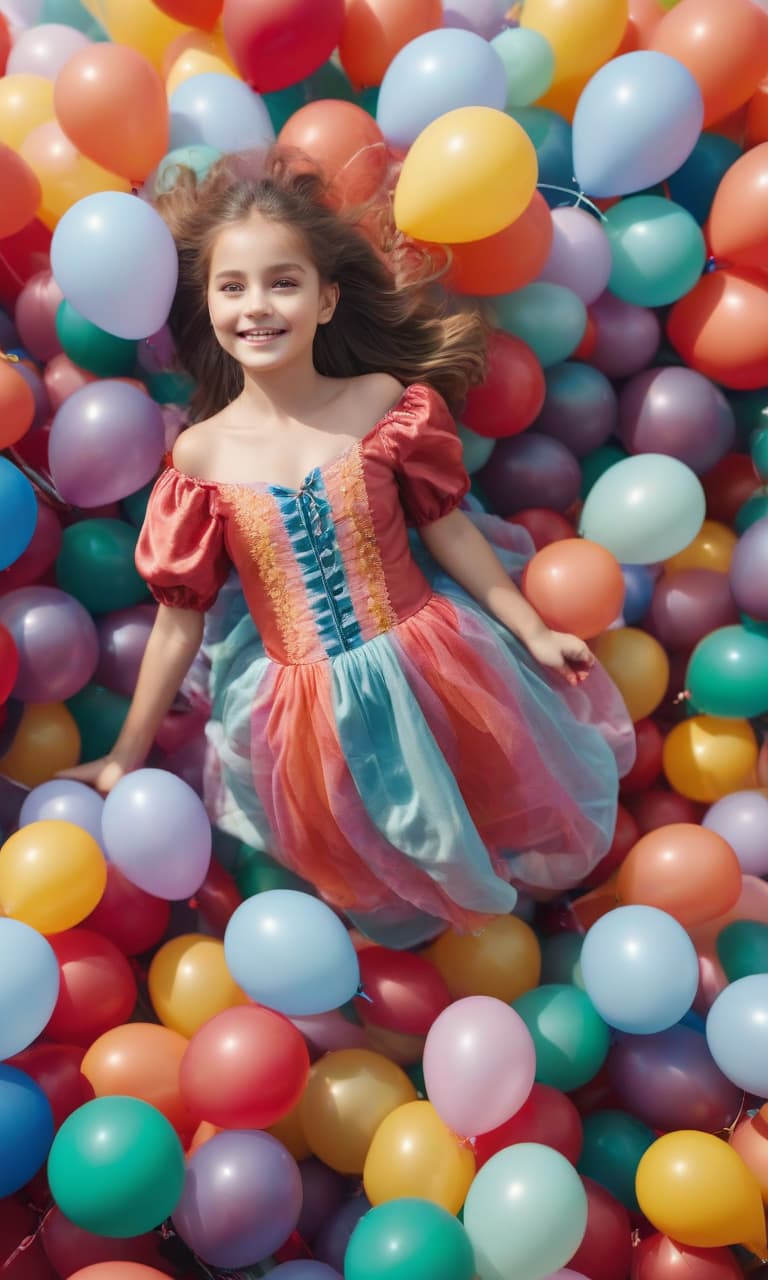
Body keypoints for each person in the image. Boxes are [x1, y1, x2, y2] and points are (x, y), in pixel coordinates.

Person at [61, 149, 635, 946]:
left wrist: (530, 629)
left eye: (282, 283)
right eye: (232, 287)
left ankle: (529, 924)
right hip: (303, 708)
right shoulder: (201, 458)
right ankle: (432, 939)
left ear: (327, 300)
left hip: (433, 659)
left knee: (479, 789)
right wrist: (126, 751)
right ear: (208, 304)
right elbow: (178, 622)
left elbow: (448, 528)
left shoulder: (380, 407)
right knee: (373, 843)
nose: (256, 307)